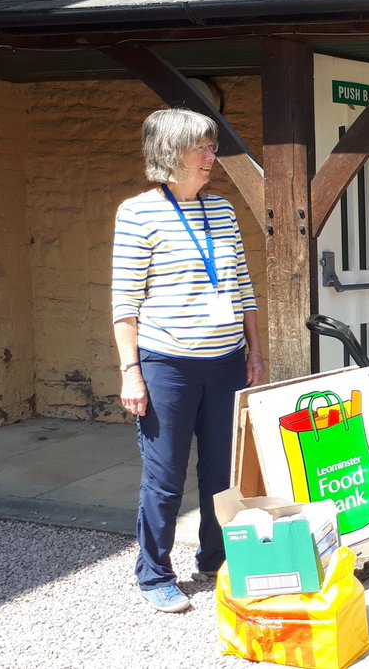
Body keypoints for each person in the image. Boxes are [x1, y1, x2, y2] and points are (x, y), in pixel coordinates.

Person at [112, 107, 265, 612]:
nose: (210, 156)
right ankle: (154, 572)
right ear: (169, 154)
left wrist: (256, 353)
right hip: (167, 366)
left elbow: (244, 289)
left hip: (225, 363)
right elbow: (125, 304)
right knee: (166, 475)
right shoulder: (137, 213)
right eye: (201, 147)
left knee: (222, 472)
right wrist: (131, 372)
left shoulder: (220, 209)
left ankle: (214, 559)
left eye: (211, 146)